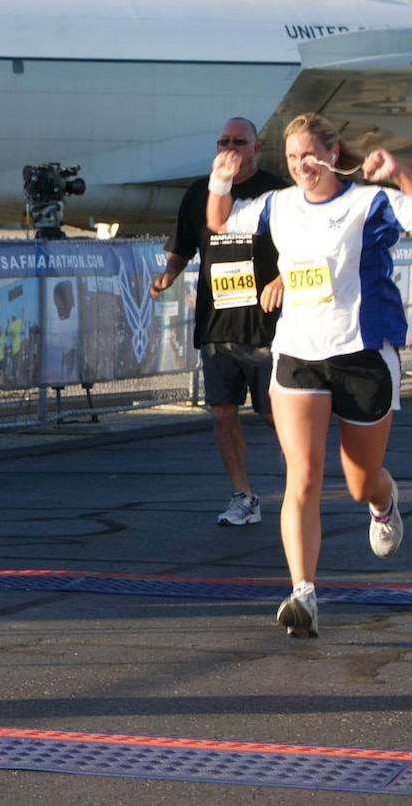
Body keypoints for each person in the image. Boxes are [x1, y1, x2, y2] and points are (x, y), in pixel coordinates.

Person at [207, 113, 412, 637]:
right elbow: (219, 221)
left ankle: (384, 504)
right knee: (303, 477)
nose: (302, 167)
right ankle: (303, 595)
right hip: (298, 355)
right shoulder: (279, 204)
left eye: (310, 156)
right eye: (292, 159)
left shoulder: (368, 202)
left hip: (362, 355)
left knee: (361, 481)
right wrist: (221, 178)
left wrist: (400, 172)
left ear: (333, 152)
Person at [151, 117, 287, 526]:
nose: (229, 147)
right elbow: (182, 246)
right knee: (222, 412)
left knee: (276, 415)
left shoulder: (278, 192)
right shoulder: (199, 193)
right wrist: (169, 274)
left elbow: (306, 248)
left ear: (255, 148)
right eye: (223, 140)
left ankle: (301, 486)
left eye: (238, 141)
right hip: (218, 322)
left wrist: (282, 279)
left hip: (267, 325)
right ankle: (242, 496)